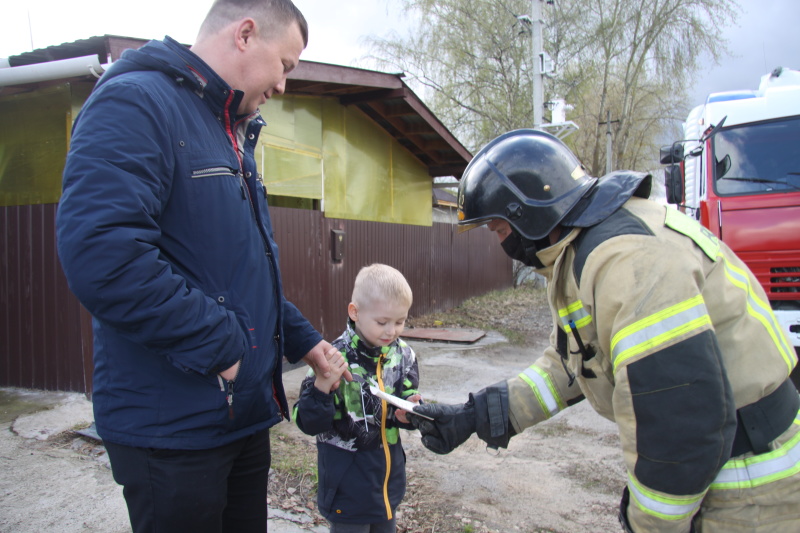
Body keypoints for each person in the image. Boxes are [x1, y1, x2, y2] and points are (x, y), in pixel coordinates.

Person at [410, 129, 800, 532]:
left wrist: (648, 524)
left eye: (499, 230)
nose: (501, 243)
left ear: (526, 212)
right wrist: (475, 416)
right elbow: (572, 363)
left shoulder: (628, 262)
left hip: (753, 488)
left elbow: (679, 424)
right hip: (725, 474)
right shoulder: (588, 249)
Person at [55, 1, 350, 531]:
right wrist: (225, 349)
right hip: (172, 429)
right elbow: (104, 255)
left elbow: (237, 274)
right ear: (244, 34)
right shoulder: (136, 103)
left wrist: (305, 343)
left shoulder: (229, 129)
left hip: (237, 417)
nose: (284, 86)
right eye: (285, 65)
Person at [294, 264, 421, 533]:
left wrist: (411, 413)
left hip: (387, 484)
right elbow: (306, 421)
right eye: (382, 322)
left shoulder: (404, 355)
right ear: (355, 312)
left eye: (400, 322)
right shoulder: (332, 358)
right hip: (347, 487)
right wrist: (322, 387)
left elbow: (407, 396)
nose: (392, 331)